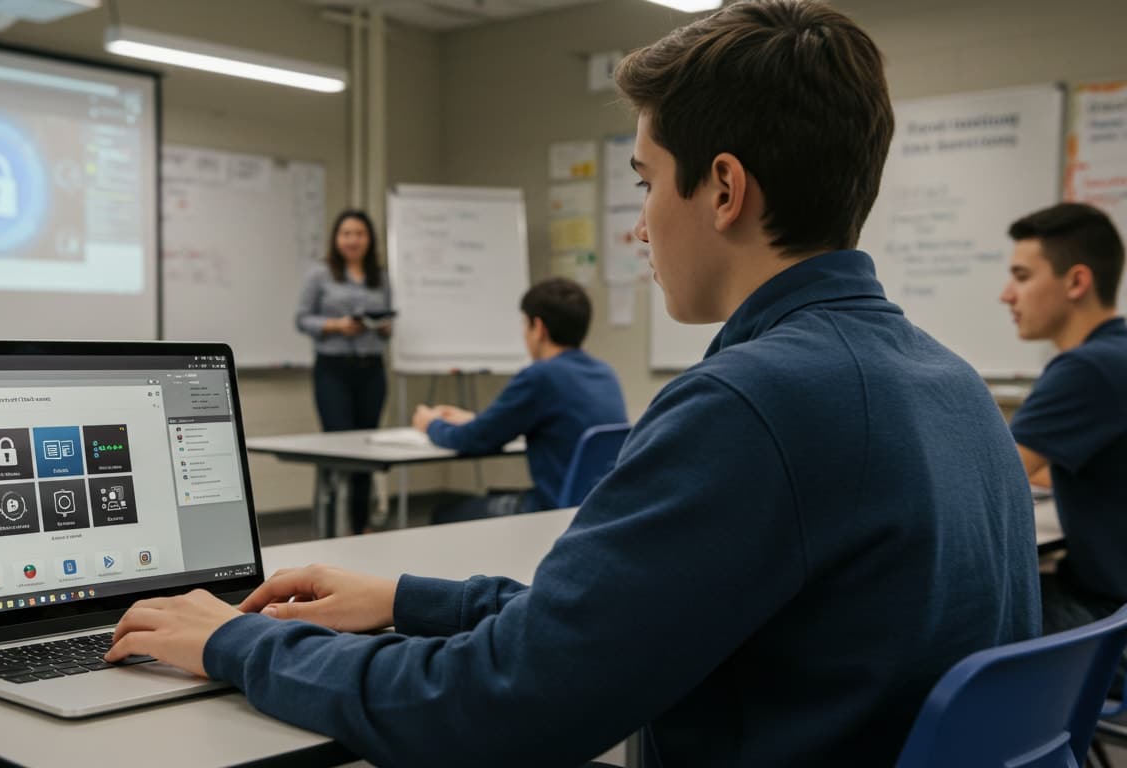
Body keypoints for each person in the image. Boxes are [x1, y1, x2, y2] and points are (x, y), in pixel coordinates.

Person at [105, 3, 1040, 765]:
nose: (639, 225)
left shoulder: (755, 404)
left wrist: (236, 641)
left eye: (644, 182)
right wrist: (407, 600)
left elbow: (496, 709)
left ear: (723, 190)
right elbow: (622, 624)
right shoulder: (948, 381)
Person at [1000, 202, 1127, 635]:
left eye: (1021, 277)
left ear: (1076, 282)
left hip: (1109, 618)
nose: (1006, 295)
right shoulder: (1117, 353)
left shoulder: (1086, 368)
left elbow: (989, 480)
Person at [412, 277, 625, 522]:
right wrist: (473, 419)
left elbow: (474, 439)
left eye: (525, 324)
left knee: (444, 514)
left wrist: (430, 424)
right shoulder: (604, 373)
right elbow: (545, 423)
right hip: (598, 509)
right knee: (492, 497)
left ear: (538, 328)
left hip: (551, 510)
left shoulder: (541, 376)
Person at [295, 209, 392, 535]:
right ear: (336, 238)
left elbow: (389, 324)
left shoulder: (380, 277)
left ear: (369, 239)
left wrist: (383, 326)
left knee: (365, 449)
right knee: (338, 449)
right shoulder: (320, 274)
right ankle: (331, 527)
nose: (353, 240)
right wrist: (336, 325)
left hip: (371, 369)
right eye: (346, 233)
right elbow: (302, 319)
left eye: (359, 233)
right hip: (333, 370)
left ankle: (360, 526)